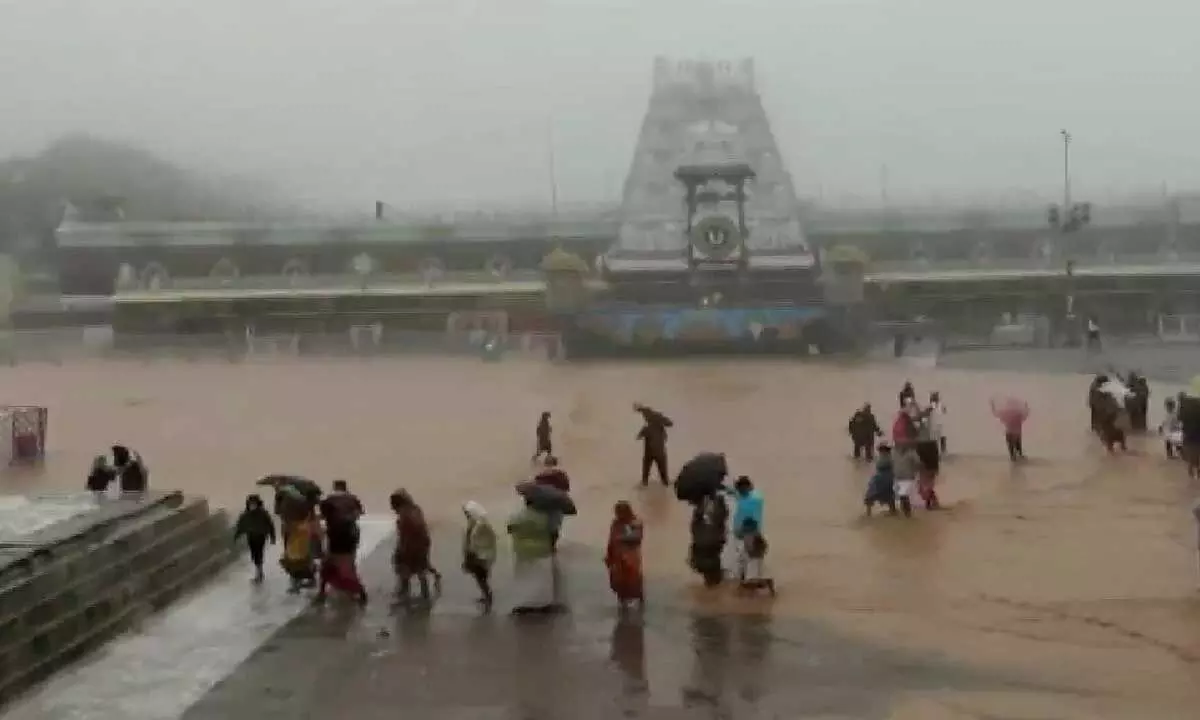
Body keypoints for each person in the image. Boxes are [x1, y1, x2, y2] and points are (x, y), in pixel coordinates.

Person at [507, 497, 560, 614]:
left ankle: (525, 602)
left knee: (525, 576)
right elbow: (553, 532)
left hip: (523, 550)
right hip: (542, 550)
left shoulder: (518, 516)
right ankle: (542, 602)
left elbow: (510, 529)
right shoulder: (545, 517)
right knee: (541, 577)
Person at [390, 489, 440, 604]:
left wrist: (401, 550)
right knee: (421, 569)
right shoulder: (415, 509)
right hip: (423, 543)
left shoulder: (404, 515)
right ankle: (425, 593)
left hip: (411, 545)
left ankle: (404, 594)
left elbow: (405, 536)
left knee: (404, 570)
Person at [605, 501, 644, 609]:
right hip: (617, 555)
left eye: (620, 512)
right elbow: (611, 540)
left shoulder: (634, 522)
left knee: (633, 578)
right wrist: (609, 555)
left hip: (630, 556)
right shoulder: (615, 523)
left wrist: (621, 538)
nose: (618, 515)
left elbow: (637, 537)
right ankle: (622, 602)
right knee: (618, 579)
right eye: (617, 512)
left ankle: (639, 599)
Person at [688, 490, 728, 586]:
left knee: (709, 563)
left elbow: (694, 526)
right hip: (710, 540)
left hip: (708, 540)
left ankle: (713, 582)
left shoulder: (701, 507)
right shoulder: (717, 502)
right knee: (711, 563)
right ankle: (714, 582)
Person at [462, 500, 497, 610]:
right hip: (476, 554)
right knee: (480, 578)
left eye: (467, 513)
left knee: (481, 577)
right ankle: (486, 595)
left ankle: (488, 596)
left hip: (480, 555)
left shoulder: (482, 525)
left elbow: (488, 540)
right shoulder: (474, 523)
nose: (466, 515)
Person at [234, 494, 276, 583]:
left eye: (254, 504)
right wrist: (237, 536)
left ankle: (259, 572)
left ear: (258, 504)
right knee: (254, 554)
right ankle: (259, 570)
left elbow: (270, 524)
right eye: (251, 504)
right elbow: (240, 526)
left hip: (261, 537)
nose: (252, 506)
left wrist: (272, 536)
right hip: (251, 537)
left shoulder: (263, 513)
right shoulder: (245, 515)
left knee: (259, 553)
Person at [281, 510, 322, 593]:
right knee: (296, 566)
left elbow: (315, 533)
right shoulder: (292, 523)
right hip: (296, 548)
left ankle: (299, 585)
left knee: (300, 566)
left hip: (302, 548)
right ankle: (299, 584)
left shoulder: (305, 522)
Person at [634, 403, 673, 486]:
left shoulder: (649, 427)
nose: (644, 418)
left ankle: (646, 486)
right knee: (664, 480)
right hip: (658, 453)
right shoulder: (654, 426)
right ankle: (665, 489)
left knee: (646, 478)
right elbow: (669, 423)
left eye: (645, 416)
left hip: (652, 453)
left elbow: (669, 423)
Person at [735, 517, 775, 596]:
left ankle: (766, 583)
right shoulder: (751, 536)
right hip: (750, 558)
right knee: (747, 578)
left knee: (751, 581)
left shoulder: (754, 537)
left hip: (754, 559)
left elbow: (759, 549)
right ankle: (750, 591)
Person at [913, 410, 942, 509]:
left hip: (926, 452)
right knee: (926, 483)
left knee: (924, 483)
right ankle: (931, 501)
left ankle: (930, 502)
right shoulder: (926, 432)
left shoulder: (922, 433)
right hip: (928, 453)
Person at [991, 395, 1030, 461]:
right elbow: (1026, 414)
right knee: (1018, 451)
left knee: (1012, 453)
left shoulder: (1006, 413)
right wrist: (1026, 407)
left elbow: (996, 413)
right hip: (1016, 434)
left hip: (1009, 433)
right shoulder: (1019, 414)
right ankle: (1018, 461)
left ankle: (1014, 461)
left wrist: (992, 405)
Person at [864, 444, 897, 516]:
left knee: (888, 497)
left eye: (882, 450)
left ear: (886, 450)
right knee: (888, 498)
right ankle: (868, 514)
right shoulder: (883, 458)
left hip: (884, 480)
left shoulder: (889, 459)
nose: (881, 451)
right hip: (881, 480)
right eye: (880, 450)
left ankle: (868, 514)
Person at [893, 442, 920, 518]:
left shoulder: (912, 453)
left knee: (904, 495)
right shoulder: (894, 453)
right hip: (898, 477)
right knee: (902, 496)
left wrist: (915, 471)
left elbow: (918, 463)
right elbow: (892, 463)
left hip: (908, 477)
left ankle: (907, 513)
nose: (901, 446)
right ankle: (906, 513)